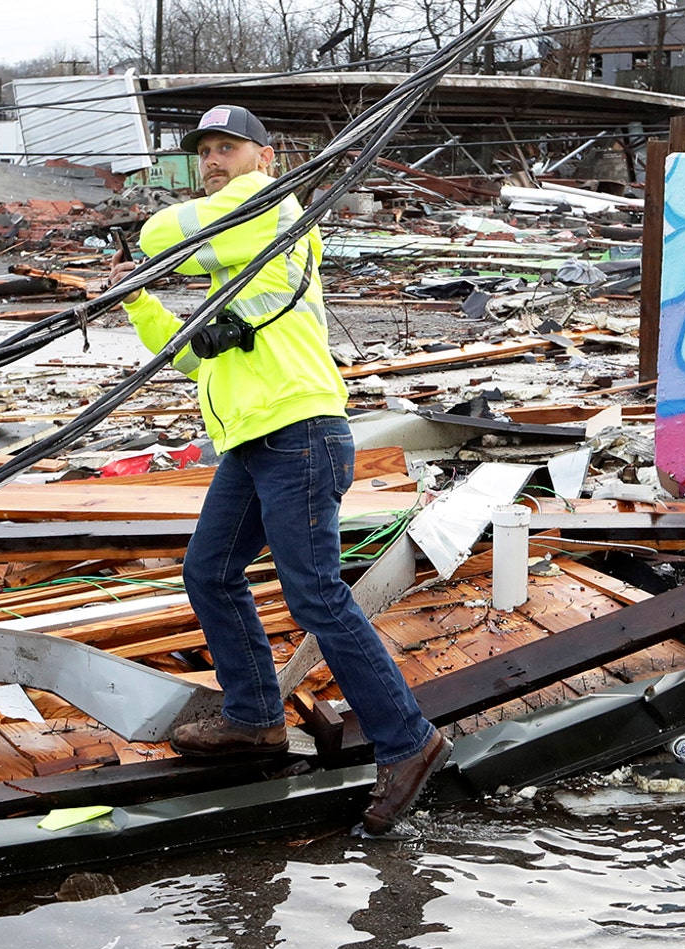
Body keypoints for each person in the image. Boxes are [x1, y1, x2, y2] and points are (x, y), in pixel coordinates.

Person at [118, 104, 449, 836]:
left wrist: (149, 246)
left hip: (300, 433)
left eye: (229, 148)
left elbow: (158, 232)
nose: (214, 160)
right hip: (256, 442)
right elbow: (188, 356)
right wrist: (138, 298)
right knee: (209, 570)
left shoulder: (272, 213)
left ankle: (408, 739)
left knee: (315, 593)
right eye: (205, 150)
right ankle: (257, 718)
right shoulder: (234, 262)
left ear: (266, 158)